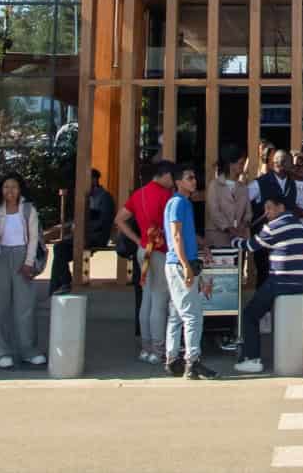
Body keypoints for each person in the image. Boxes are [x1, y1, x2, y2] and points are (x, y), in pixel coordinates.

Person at [235, 195, 303, 373]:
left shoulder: (274, 226)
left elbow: (250, 246)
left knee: (250, 314)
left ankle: (253, 359)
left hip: (281, 280)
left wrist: (233, 239)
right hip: (300, 282)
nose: (266, 213)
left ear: (281, 207)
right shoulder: (299, 225)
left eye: (269, 208)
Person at [117, 160, 176, 364]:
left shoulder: (138, 194)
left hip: (143, 250)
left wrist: (136, 240)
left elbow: (119, 219)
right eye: (173, 177)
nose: (174, 181)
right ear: (165, 175)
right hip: (160, 251)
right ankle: (158, 350)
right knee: (159, 301)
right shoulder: (166, 196)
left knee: (147, 300)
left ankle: (146, 348)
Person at [0, 172, 47, 370]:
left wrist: (29, 261)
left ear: (20, 189)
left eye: (14, 186)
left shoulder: (29, 209)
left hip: (23, 254)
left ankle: (29, 350)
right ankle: (1, 352)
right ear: (0, 189)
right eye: (6, 187)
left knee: (26, 305)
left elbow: (33, 238)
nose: (10, 191)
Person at [163, 162, 214, 379]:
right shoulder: (178, 203)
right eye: (189, 177)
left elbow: (185, 235)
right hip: (179, 264)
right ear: (178, 182)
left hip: (179, 262)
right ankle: (192, 362)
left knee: (177, 314)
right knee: (193, 315)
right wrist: (185, 265)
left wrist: (202, 246)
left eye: (194, 177)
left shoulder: (183, 203)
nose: (194, 181)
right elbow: (176, 236)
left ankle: (173, 358)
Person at [47, 166, 115, 297]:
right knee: (60, 250)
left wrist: (84, 229)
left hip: (96, 236)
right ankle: (59, 287)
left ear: (94, 180)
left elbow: (104, 221)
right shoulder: (85, 197)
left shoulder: (104, 197)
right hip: (82, 235)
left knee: (60, 248)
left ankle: (63, 284)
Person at [206, 154, 253, 251]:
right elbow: (214, 211)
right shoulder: (214, 185)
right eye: (241, 163)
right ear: (231, 165)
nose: (243, 167)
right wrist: (229, 228)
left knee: (238, 265)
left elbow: (248, 212)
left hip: (239, 238)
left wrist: (244, 225)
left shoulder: (243, 187)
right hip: (217, 237)